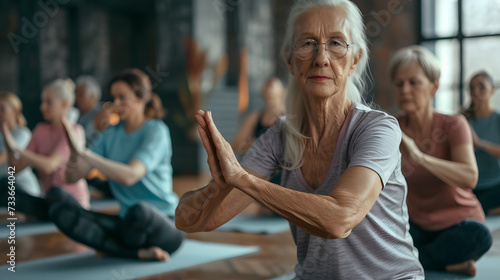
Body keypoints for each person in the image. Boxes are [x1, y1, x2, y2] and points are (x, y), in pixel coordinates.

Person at [176, 1, 424, 279]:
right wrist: (218, 187)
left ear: (355, 60)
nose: (321, 58)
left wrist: (243, 179)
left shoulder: (378, 128)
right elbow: (189, 221)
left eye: (336, 43)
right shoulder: (279, 137)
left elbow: (340, 219)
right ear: (290, 61)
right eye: (307, 44)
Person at [52, 69, 184, 261]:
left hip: (162, 223)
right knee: (58, 202)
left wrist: (85, 153)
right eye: (114, 98)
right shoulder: (110, 134)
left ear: (141, 97)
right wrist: (75, 153)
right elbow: (71, 177)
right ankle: (138, 253)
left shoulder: (156, 131)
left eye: (123, 98)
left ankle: (113, 246)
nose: (116, 104)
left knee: (140, 211)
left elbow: (130, 175)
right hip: (126, 224)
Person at [389, 45, 492, 276]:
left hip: (459, 225)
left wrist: (419, 156)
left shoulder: (454, 124)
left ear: (434, 86)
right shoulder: (390, 127)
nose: (405, 89)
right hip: (414, 226)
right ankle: (443, 262)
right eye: (399, 83)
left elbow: (470, 177)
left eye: (413, 82)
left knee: (480, 237)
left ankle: (413, 260)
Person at [1, 79, 90, 220]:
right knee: (5, 187)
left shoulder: (75, 131)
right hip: (50, 202)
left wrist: (17, 149)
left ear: (64, 104)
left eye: (48, 102)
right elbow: (15, 168)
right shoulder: (40, 130)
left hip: (71, 205)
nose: (42, 107)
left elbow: (49, 165)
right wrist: (6, 136)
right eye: (42, 102)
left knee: (57, 193)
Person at [462, 71, 500, 215]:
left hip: (496, 184)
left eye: (481, 87)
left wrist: (480, 143)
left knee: (471, 208)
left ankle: (479, 209)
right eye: (471, 88)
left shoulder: (497, 119)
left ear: (492, 90)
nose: (475, 92)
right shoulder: (463, 121)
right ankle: (485, 209)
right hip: (471, 185)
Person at [0, 92, 41, 197]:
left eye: (2, 109)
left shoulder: (23, 133)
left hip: (22, 188)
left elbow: (6, 157)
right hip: (5, 187)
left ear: (15, 111)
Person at [231, 77, 286, 155]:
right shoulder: (255, 117)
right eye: (265, 84)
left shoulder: (289, 117)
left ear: (283, 91)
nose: (267, 86)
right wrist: (249, 146)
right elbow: (235, 145)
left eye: (271, 84)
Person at [75, 75, 102, 147]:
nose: (77, 99)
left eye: (81, 95)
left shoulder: (101, 114)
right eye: (76, 95)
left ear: (92, 96)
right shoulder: (77, 114)